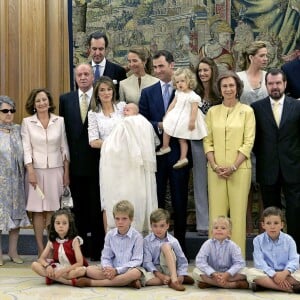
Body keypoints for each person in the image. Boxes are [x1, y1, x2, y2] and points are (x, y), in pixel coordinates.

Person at [139, 50, 190, 254]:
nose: (158, 70)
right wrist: (160, 125)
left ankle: (181, 248)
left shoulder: (184, 92)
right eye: (156, 67)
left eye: (162, 66)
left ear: (172, 65)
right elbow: (142, 122)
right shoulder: (148, 92)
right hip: (156, 156)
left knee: (180, 202)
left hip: (180, 155)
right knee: (157, 201)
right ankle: (157, 247)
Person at [203, 71, 255, 258]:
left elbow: (248, 142)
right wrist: (215, 165)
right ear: (220, 89)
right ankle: (214, 260)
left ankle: (236, 261)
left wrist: (233, 166)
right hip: (215, 170)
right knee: (216, 216)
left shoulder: (247, 111)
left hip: (239, 170)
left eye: (231, 85)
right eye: (224, 86)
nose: (228, 89)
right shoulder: (212, 112)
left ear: (238, 87)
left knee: (238, 216)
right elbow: (207, 141)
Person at [251, 68, 300, 252]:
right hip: (268, 168)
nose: (275, 87)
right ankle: (273, 252)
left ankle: (295, 253)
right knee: (271, 214)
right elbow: (254, 140)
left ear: (285, 84)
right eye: (271, 84)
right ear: (266, 86)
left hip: (293, 168)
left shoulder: (297, 106)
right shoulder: (256, 108)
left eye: (278, 83)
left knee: (295, 213)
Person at [59, 63, 105, 261]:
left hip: (98, 164)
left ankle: (98, 250)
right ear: (75, 77)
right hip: (75, 165)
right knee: (78, 210)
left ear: (93, 77)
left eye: (87, 74)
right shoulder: (66, 99)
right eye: (80, 74)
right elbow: (63, 134)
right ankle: (80, 251)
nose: (84, 77)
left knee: (96, 208)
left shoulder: (101, 97)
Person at [22, 88, 70, 257]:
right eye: (38, 101)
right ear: (33, 105)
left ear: (49, 102)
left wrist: (66, 173)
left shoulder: (60, 121)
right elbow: (26, 148)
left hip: (56, 170)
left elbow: (64, 147)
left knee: (51, 210)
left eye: (44, 100)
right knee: (37, 210)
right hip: (36, 171)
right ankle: (40, 248)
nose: (42, 103)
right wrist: (31, 170)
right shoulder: (27, 122)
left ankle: (51, 248)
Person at [100, 102, 159, 235]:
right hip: (137, 169)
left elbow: (111, 147)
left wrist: (106, 146)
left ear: (136, 112)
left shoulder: (126, 123)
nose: (125, 111)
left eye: (129, 109)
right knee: (140, 197)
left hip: (126, 168)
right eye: (125, 109)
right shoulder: (146, 124)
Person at [237, 41, 269, 236]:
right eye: (262, 55)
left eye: (266, 55)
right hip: (243, 136)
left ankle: (263, 225)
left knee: (264, 182)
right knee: (246, 182)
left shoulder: (269, 77)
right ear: (251, 57)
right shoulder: (240, 78)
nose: (265, 59)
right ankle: (247, 224)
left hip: (266, 136)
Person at [74, 200, 143, 288]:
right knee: (89, 270)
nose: (120, 222)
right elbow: (106, 257)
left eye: (124, 219)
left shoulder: (137, 237)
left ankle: (93, 283)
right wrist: (108, 269)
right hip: (112, 269)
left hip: (128, 270)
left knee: (136, 273)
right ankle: (126, 282)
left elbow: (137, 261)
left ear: (131, 219)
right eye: (117, 218)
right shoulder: (110, 235)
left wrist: (117, 271)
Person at [87, 76, 125, 232]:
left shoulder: (122, 107)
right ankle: (110, 242)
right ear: (97, 93)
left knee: (125, 197)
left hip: (125, 160)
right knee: (108, 200)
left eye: (109, 89)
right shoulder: (93, 114)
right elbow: (93, 141)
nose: (106, 93)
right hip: (108, 161)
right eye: (102, 90)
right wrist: (113, 144)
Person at [156, 67, 207, 169]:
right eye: (177, 81)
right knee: (166, 127)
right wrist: (167, 114)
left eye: (182, 81)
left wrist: (192, 121)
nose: (180, 84)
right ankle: (165, 146)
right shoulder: (178, 93)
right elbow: (173, 104)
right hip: (176, 116)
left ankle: (183, 158)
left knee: (182, 139)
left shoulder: (193, 96)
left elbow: (194, 110)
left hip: (185, 118)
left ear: (189, 81)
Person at [0, 96, 30, 265]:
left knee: (16, 216)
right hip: (0, 182)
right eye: (5, 111)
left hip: (17, 181)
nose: (9, 114)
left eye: (12, 110)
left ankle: (13, 251)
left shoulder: (19, 130)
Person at [192, 57, 220, 236]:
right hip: (197, 142)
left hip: (219, 141)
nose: (202, 73)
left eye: (205, 70)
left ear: (212, 71)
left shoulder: (220, 93)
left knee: (218, 182)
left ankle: (219, 224)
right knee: (200, 182)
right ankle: (203, 224)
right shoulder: (193, 93)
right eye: (200, 71)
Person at [247, 207, 300, 293]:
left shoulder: (289, 240)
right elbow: (259, 262)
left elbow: (294, 260)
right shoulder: (257, 240)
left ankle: (266, 285)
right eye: (268, 223)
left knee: (297, 274)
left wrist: (284, 273)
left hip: (285, 273)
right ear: (263, 225)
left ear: (282, 225)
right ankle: (288, 288)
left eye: (276, 223)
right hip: (267, 273)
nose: (272, 226)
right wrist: (273, 274)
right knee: (251, 273)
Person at [31, 208, 88, 286]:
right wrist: (47, 266)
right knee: (34, 265)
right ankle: (65, 280)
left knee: (81, 271)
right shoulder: (52, 240)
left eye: (64, 223)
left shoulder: (75, 240)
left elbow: (79, 263)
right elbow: (41, 259)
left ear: (69, 225)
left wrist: (63, 271)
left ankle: (55, 278)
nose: (61, 226)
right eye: (58, 223)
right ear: (53, 224)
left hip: (71, 268)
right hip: (58, 267)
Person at [142, 208, 194, 292]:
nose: (158, 229)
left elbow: (182, 260)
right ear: (151, 226)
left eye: (162, 226)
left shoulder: (173, 241)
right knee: (143, 279)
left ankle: (174, 279)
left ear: (167, 225)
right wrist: (160, 275)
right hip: (156, 271)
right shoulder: (146, 241)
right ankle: (179, 279)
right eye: (155, 226)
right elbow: (147, 262)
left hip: (170, 268)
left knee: (166, 246)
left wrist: (181, 273)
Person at [192, 216, 249, 289]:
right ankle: (231, 285)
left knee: (246, 272)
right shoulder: (207, 244)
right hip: (212, 273)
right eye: (216, 228)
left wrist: (227, 274)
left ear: (229, 233)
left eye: (223, 228)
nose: (219, 230)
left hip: (229, 274)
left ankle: (211, 283)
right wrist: (213, 273)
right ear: (212, 232)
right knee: (196, 271)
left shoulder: (233, 246)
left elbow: (240, 263)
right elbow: (200, 261)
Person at [87, 31, 127, 97]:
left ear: (106, 50)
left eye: (101, 49)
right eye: (94, 49)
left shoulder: (119, 71)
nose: (97, 53)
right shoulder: (83, 72)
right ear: (89, 49)